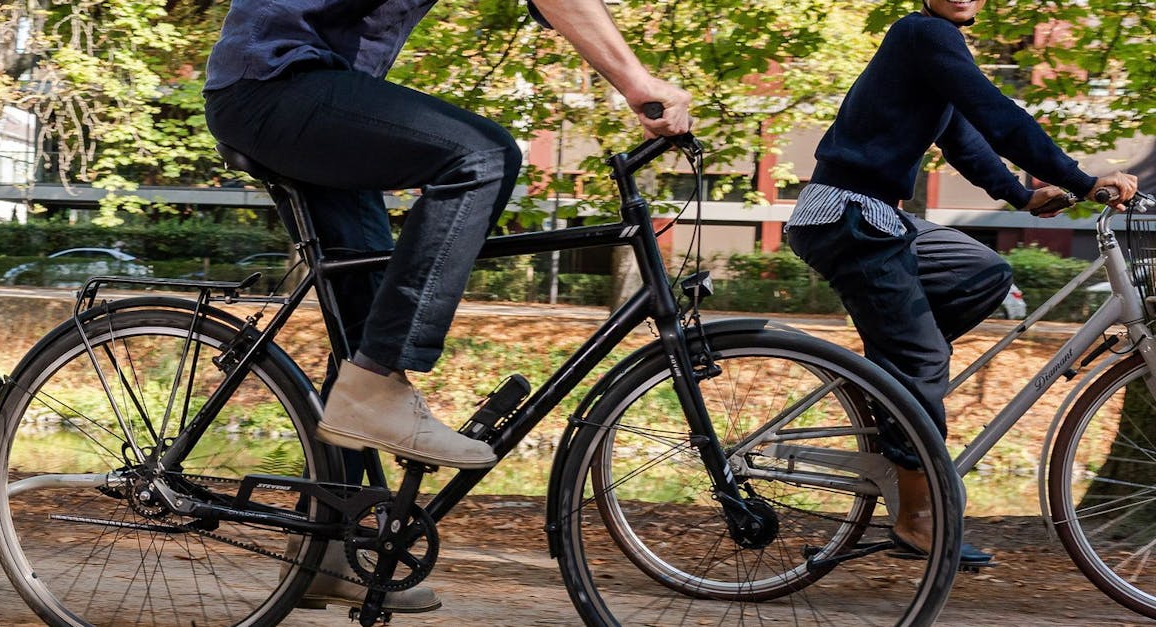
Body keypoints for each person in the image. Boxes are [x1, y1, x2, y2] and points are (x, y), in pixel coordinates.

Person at [203, 0, 691, 613]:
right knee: (482, 156)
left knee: (366, 314)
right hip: (275, 85)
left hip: (303, 90)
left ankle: (323, 552)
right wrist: (638, 83)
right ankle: (377, 385)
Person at [784, 0, 1139, 564]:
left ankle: (895, 380)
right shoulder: (921, 34)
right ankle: (916, 517)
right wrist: (1078, 176)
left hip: (874, 218)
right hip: (847, 214)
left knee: (982, 273)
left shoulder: (935, 50)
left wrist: (1022, 196)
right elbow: (996, 113)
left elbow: (966, 139)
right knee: (920, 361)